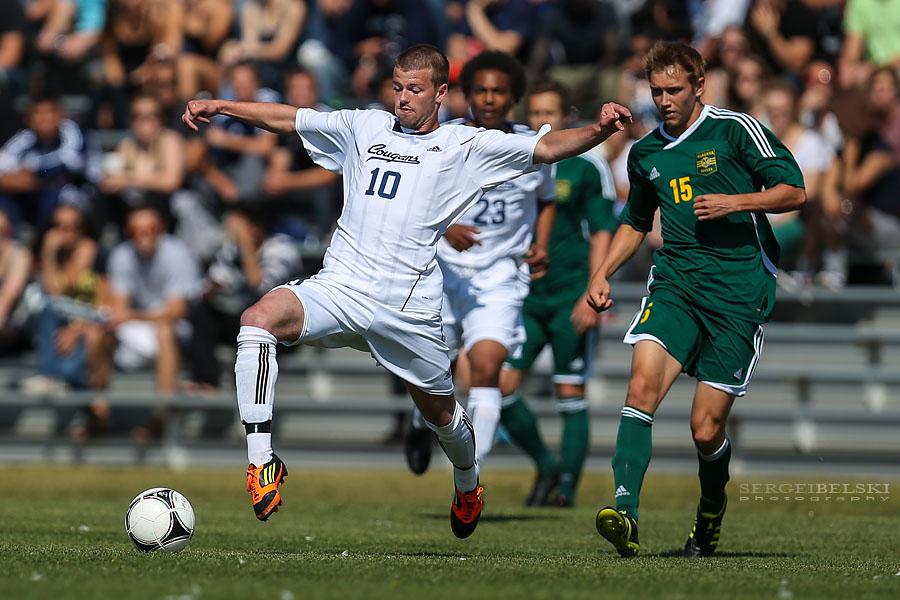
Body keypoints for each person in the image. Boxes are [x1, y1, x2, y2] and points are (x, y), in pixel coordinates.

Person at [181, 43, 631, 537]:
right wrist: (223, 106)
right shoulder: (364, 126)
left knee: (441, 415)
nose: (402, 98)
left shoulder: (466, 146)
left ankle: (467, 483)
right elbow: (290, 119)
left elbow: (546, 148)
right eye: (397, 87)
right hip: (342, 287)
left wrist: (601, 129)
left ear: (440, 93)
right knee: (257, 320)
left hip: (408, 308)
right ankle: (262, 463)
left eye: (414, 89)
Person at [586, 41, 805, 558]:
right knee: (640, 387)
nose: (664, 100)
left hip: (739, 290)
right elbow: (637, 222)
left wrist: (738, 200)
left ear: (699, 86)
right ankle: (626, 515)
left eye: (674, 90)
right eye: (656, 91)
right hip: (677, 284)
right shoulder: (646, 154)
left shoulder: (734, 129)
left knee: (705, 429)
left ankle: (709, 516)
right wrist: (601, 272)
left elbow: (793, 191)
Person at [403, 50, 556, 479]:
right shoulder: (443, 138)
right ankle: (420, 424)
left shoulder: (531, 144)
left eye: (498, 91)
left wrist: (541, 244)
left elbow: (546, 200)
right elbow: (413, 197)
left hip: (500, 274)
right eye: (481, 90)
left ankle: (473, 476)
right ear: (466, 94)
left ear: (513, 97)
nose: (488, 99)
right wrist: (445, 226)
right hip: (440, 270)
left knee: (486, 369)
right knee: (433, 367)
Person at [498, 79, 617, 508]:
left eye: (549, 113)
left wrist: (592, 291)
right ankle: (547, 465)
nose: (540, 121)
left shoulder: (587, 165)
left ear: (567, 116)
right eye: (534, 113)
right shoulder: (515, 157)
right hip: (524, 297)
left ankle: (566, 487)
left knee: (570, 391)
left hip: (569, 295)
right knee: (499, 384)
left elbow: (604, 228)